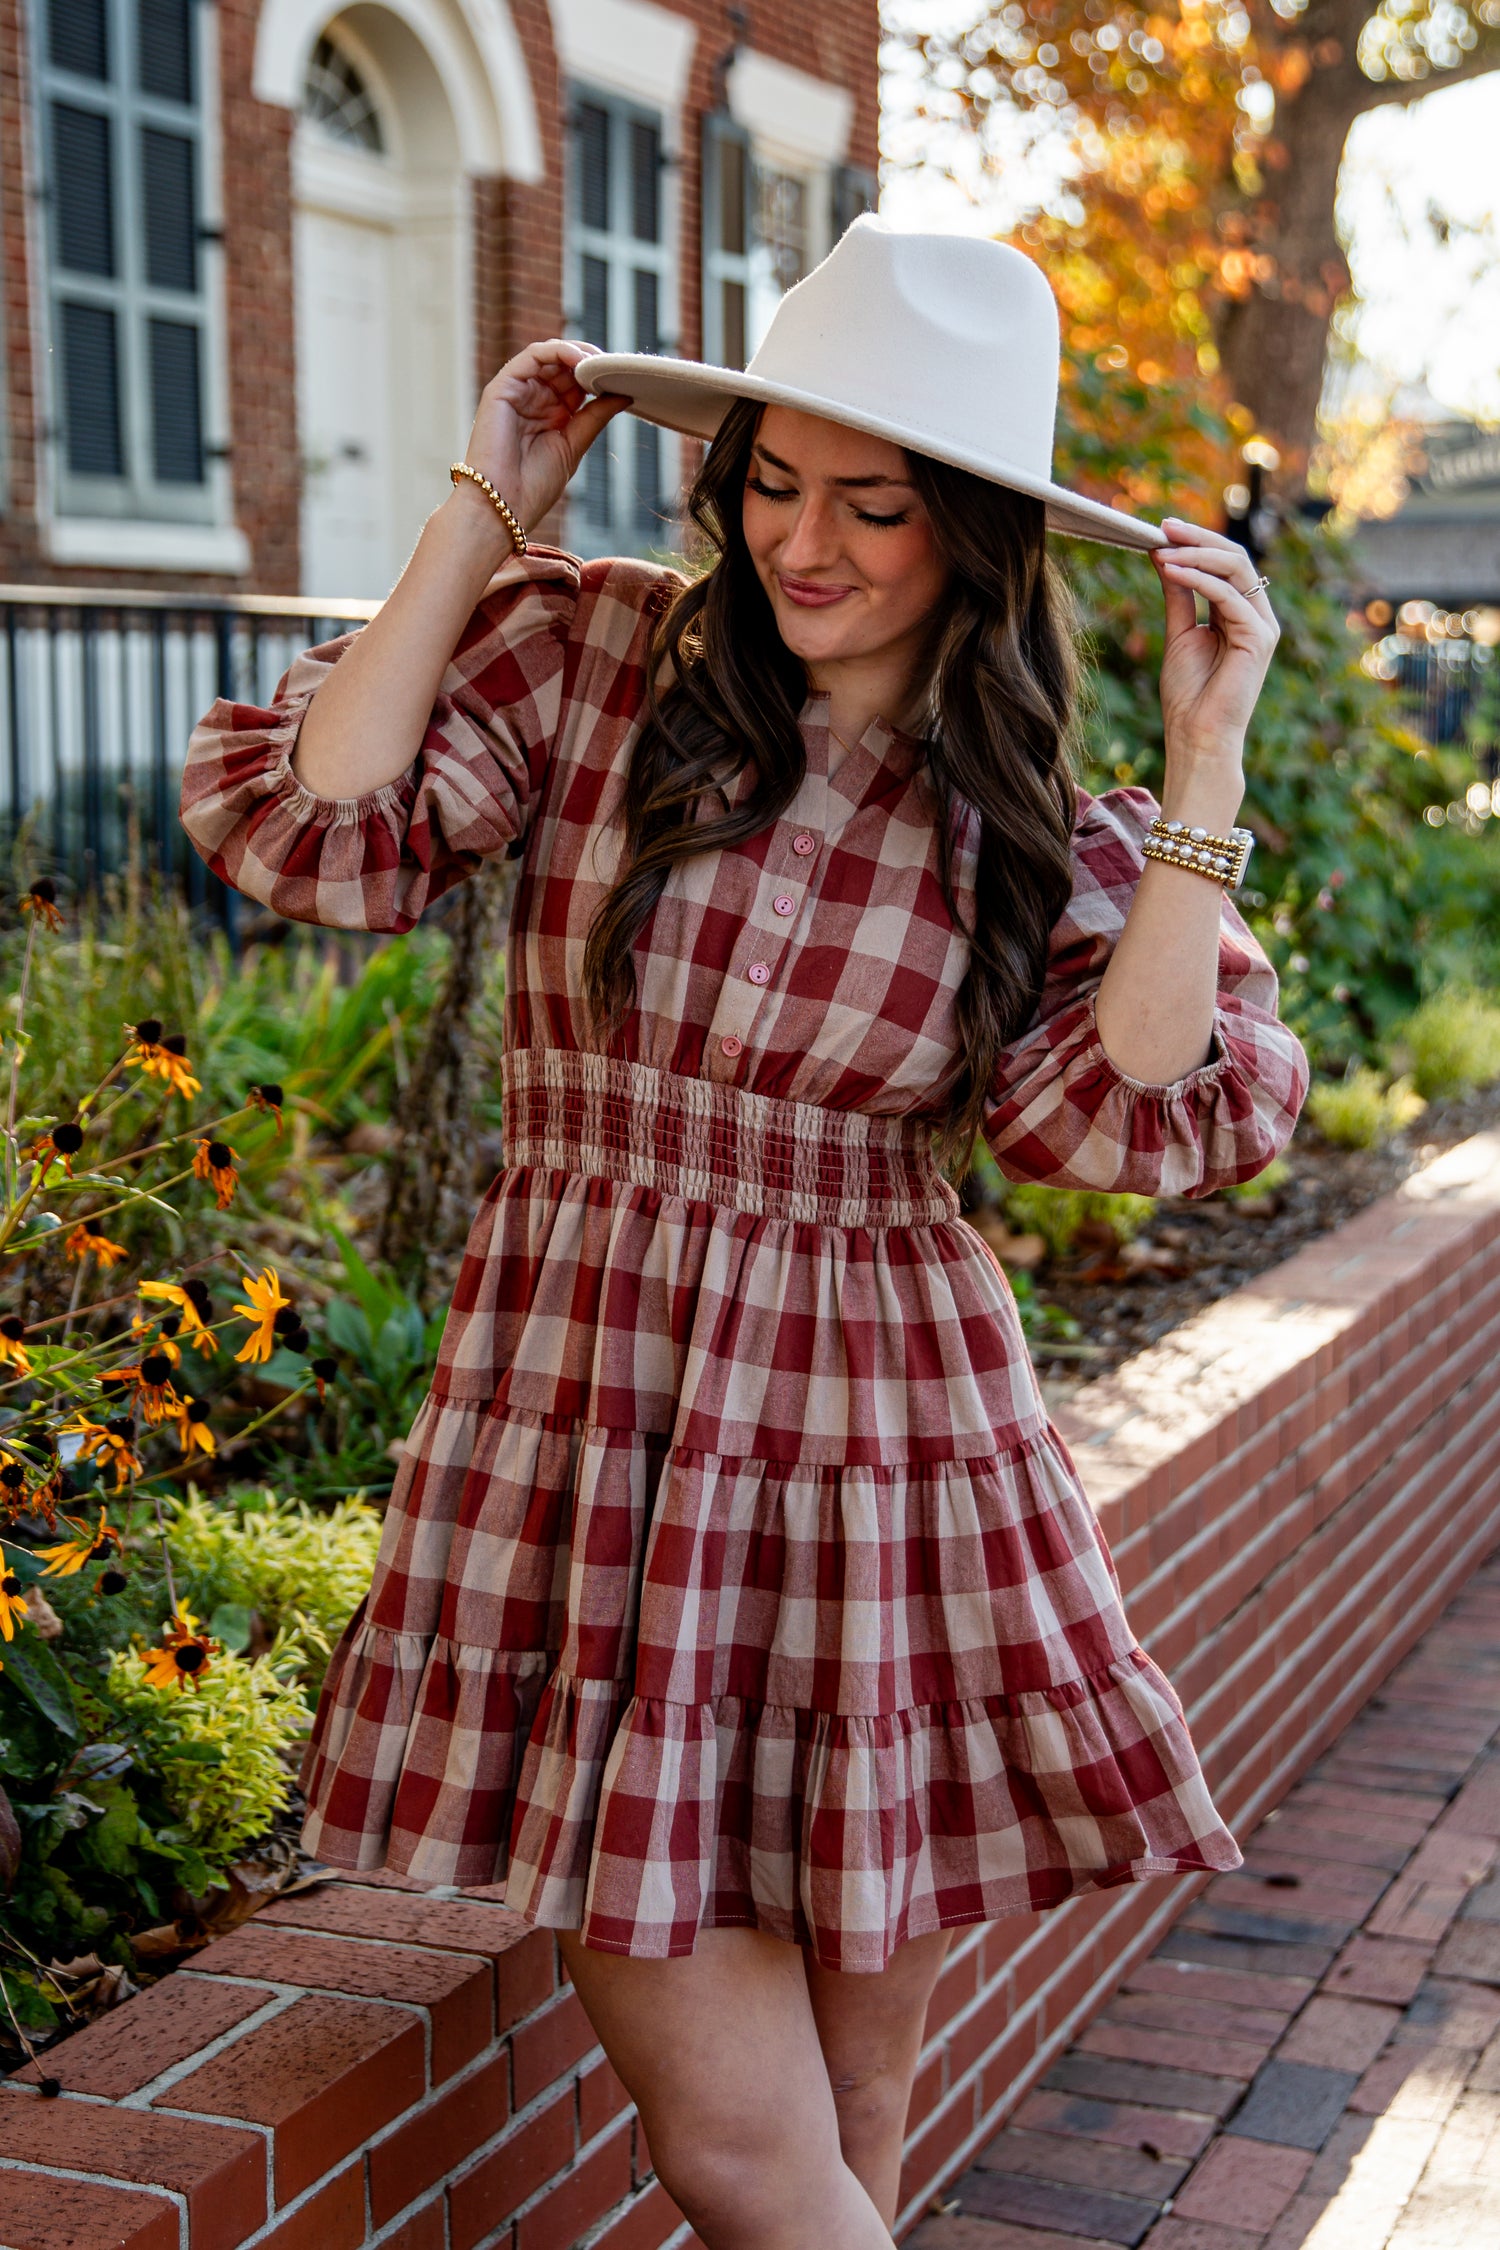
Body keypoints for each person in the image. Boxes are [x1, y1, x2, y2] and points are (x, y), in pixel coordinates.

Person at [181, 217, 1307, 2249]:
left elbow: (1121, 1107)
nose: (806, 542)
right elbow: (320, 832)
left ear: (969, 532)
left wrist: (1210, 752)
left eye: (872, 505)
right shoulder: (594, 648)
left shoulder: (1027, 802)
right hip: (589, 1443)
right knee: (751, 2158)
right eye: (773, 482)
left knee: (859, 2110)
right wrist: (480, 506)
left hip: (881, 1472)